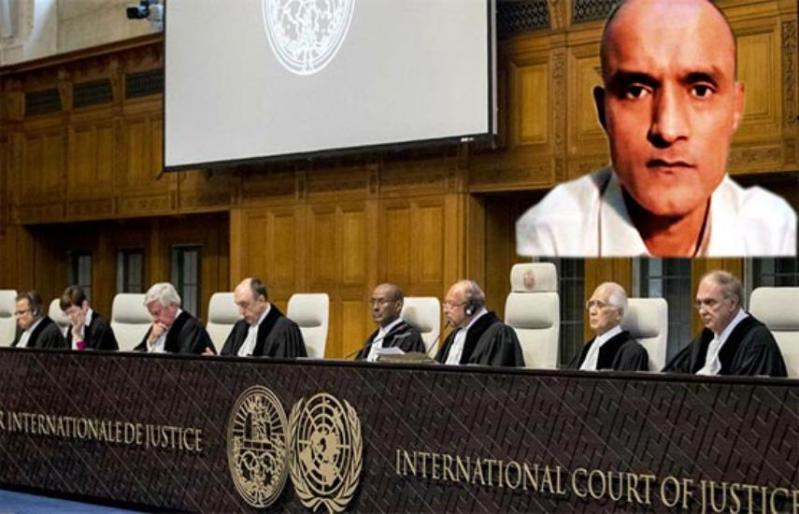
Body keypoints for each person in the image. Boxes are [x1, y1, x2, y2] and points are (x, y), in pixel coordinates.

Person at [515, 0, 796, 257]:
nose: (668, 129)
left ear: (736, 107)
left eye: (700, 90)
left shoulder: (776, 232)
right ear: (603, 111)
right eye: (636, 91)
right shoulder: (549, 234)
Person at [663, 270, 787, 377]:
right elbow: (672, 376)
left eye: (710, 303)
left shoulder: (757, 341)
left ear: (732, 303)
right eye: (699, 303)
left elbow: (747, 393)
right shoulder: (707, 336)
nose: (702, 311)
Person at [435, 280, 525, 367]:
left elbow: (495, 375)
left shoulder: (499, 334)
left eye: (452, 305)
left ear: (470, 307)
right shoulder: (456, 334)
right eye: (445, 304)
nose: (445, 311)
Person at [570, 282, 648, 371]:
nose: (592, 311)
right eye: (591, 304)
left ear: (619, 313)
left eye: (600, 305)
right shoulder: (585, 350)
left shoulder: (632, 353)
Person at [220, 278, 306, 358]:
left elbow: (284, 367)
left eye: (245, 305)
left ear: (261, 300)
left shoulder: (285, 329)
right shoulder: (240, 327)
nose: (241, 312)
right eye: (239, 305)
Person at [134, 282, 215, 355]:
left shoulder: (192, 328)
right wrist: (150, 341)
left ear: (172, 306)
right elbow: (135, 356)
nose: (154, 319)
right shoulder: (158, 324)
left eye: (156, 313)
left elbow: (182, 362)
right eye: (152, 314)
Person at [356, 283, 425, 361]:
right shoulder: (374, 337)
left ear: (398, 305)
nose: (375, 307)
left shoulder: (409, 336)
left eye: (381, 302)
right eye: (373, 302)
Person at [59, 285, 117, 351]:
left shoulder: (100, 327)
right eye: (67, 314)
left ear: (84, 306)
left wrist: (77, 336)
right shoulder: (72, 326)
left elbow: (89, 356)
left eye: (72, 312)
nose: (70, 317)